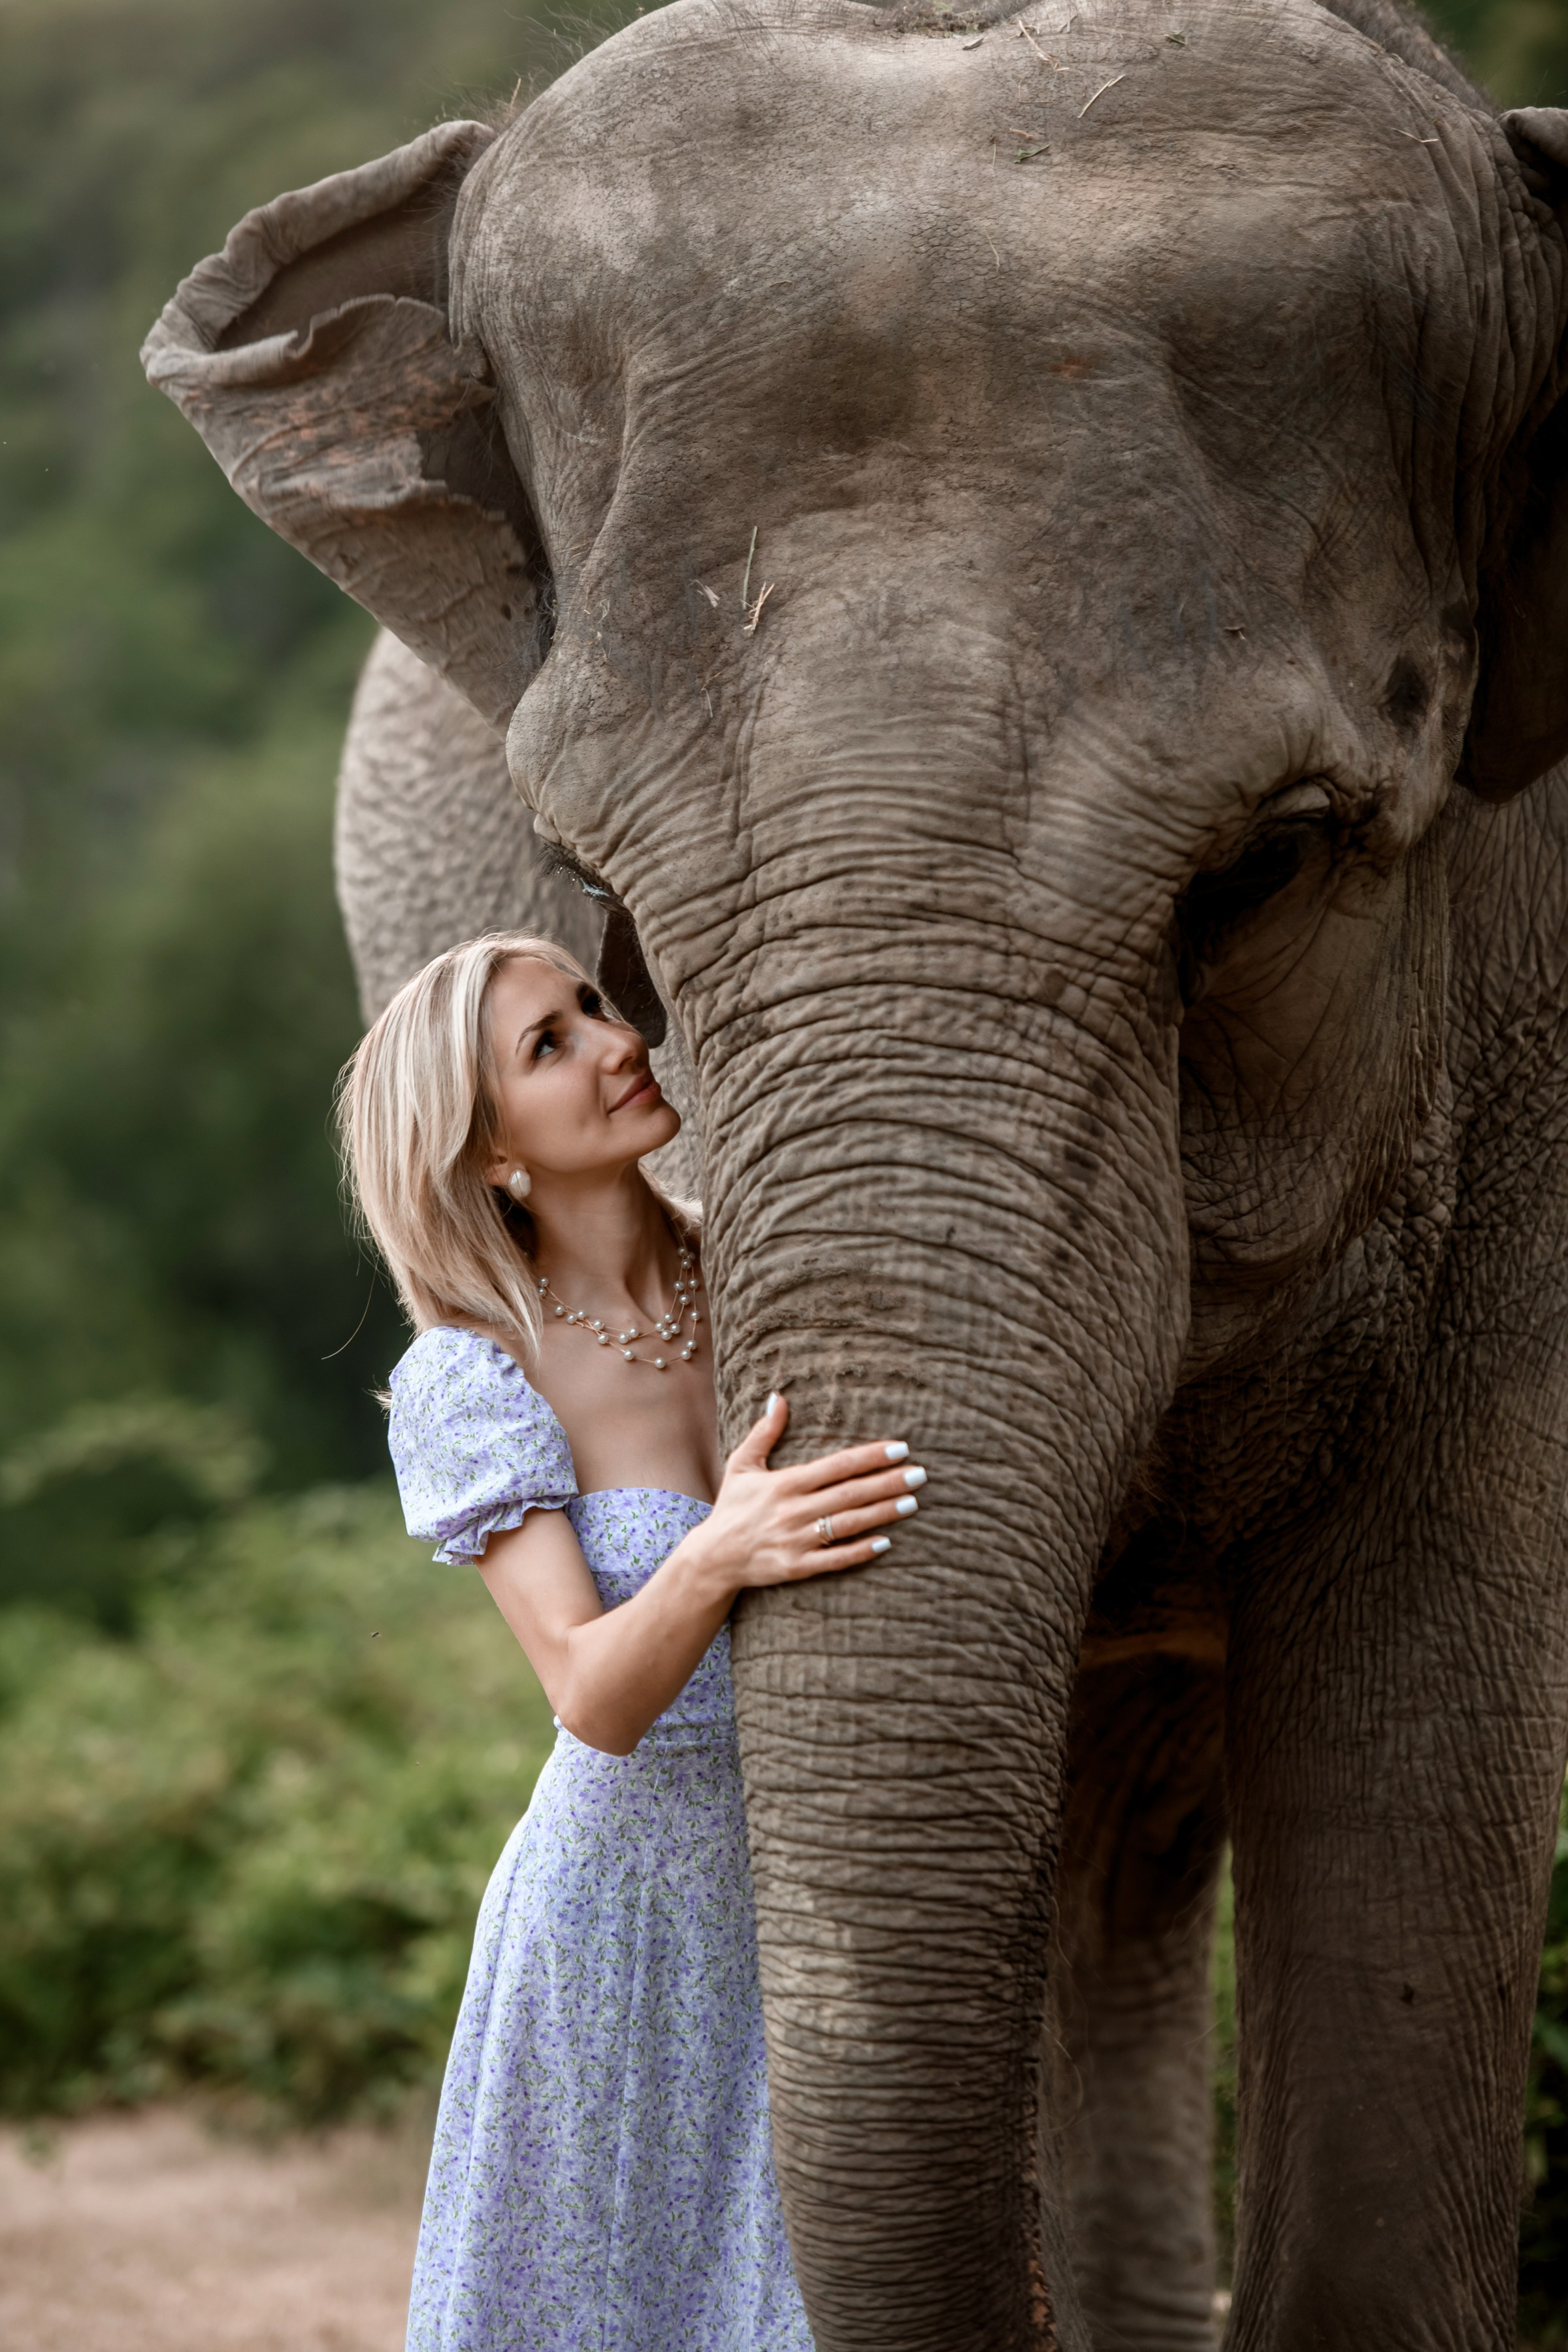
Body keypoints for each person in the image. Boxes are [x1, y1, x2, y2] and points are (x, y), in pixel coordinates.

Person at [338, 930, 927, 2352]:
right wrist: (718, 1549)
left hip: (828, 1897)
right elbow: (591, 1696)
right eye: (550, 1046)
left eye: (594, 1006)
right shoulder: (474, 1374)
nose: (619, 1044)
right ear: (491, 1151)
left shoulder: (767, 1268)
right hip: (620, 1937)